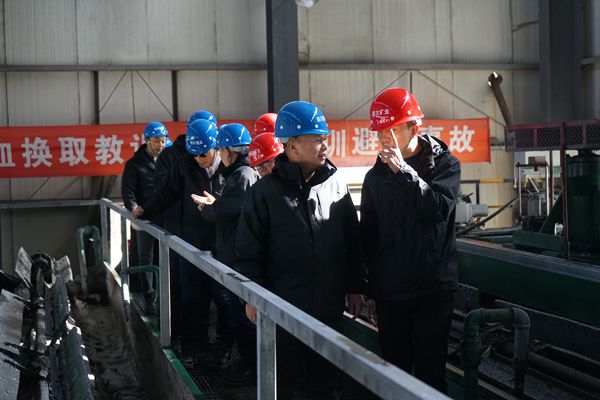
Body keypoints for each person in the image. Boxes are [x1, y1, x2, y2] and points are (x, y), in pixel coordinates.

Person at [235, 100, 367, 399]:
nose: (325, 145)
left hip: (329, 308)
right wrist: (251, 296)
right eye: (317, 139)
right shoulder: (264, 193)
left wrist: (357, 286)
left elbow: (352, 242)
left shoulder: (336, 185)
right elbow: (248, 251)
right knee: (287, 385)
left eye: (324, 138)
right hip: (283, 309)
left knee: (326, 384)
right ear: (292, 145)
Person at [361, 87, 461, 393]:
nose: (384, 138)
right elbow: (369, 236)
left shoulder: (446, 166)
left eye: (391, 130)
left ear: (414, 128)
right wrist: (370, 289)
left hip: (432, 291)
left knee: (431, 375)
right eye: (380, 132)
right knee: (395, 374)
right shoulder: (375, 178)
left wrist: (403, 172)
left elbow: (436, 210)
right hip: (391, 293)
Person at [132, 118, 224, 367]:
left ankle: (217, 349)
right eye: (194, 155)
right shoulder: (184, 165)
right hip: (191, 242)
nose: (199, 159)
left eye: (203, 155)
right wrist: (146, 209)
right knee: (191, 296)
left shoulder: (229, 167)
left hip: (220, 244)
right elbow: (166, 193)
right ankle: (190, 346)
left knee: (221, 299)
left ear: (216, 147)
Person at [192, 123, 259, 376]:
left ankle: (251, 366)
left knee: (243, 316)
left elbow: (227, 212)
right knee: (237, 313)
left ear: (230, 151)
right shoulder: (240, 174)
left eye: (221, 149)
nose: (220, 154)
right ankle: (247, 363)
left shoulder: (242, 175)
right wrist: (215, 204)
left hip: (236, 255)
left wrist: (208, 208)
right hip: (233, 252)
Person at [154, 110, 217, 346]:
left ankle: (201, 339)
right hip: (179, 232)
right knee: (180, 287)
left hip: (209, 235)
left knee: (208, 291)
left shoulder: (218, 160)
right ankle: (177, 336)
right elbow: (164, 191)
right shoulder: (172, 157)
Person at [121, 121, 168, 313]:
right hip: (145, 218)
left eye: (163, 140)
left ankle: (166, 296)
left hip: (165, 216)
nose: (160, 145)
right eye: (156, 141)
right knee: (146, 257)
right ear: (147, 140)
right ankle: (149, 297)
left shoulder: (168, 160)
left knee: (164, 256)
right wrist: (133, 208)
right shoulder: (135, 164)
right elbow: (128, 191)